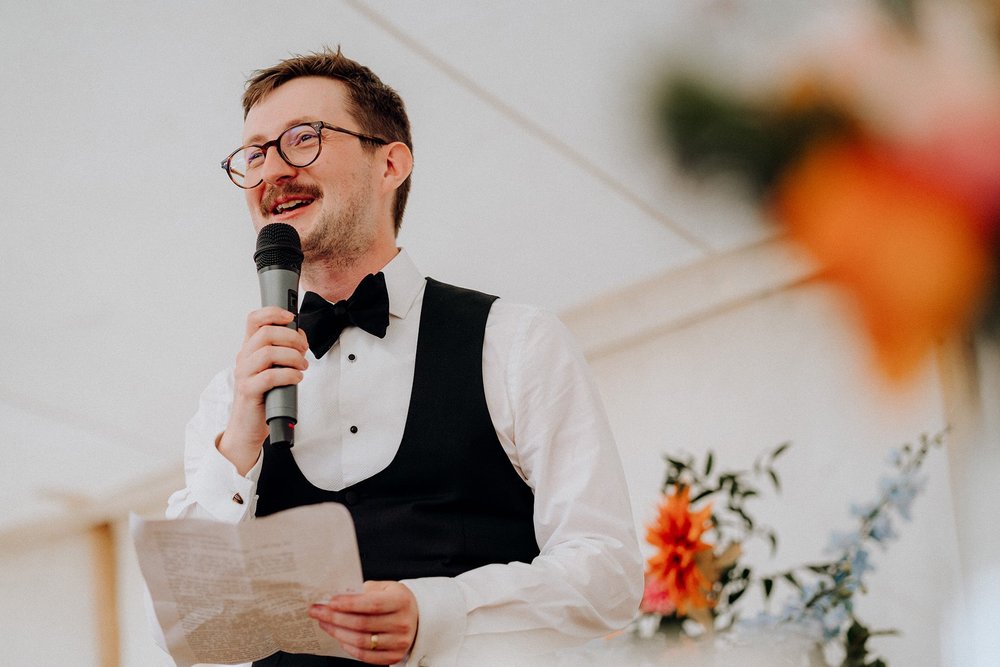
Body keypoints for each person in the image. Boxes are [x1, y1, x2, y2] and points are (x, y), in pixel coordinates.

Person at [165, 47, 643, 666]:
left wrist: (438, 612)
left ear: (390, 162)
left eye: (301, 139)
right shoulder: (227, 401)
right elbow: (184, 629)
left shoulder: (516, 342)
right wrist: (237, 448)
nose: (271, 171)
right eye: (254, 154)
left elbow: (607, 575)